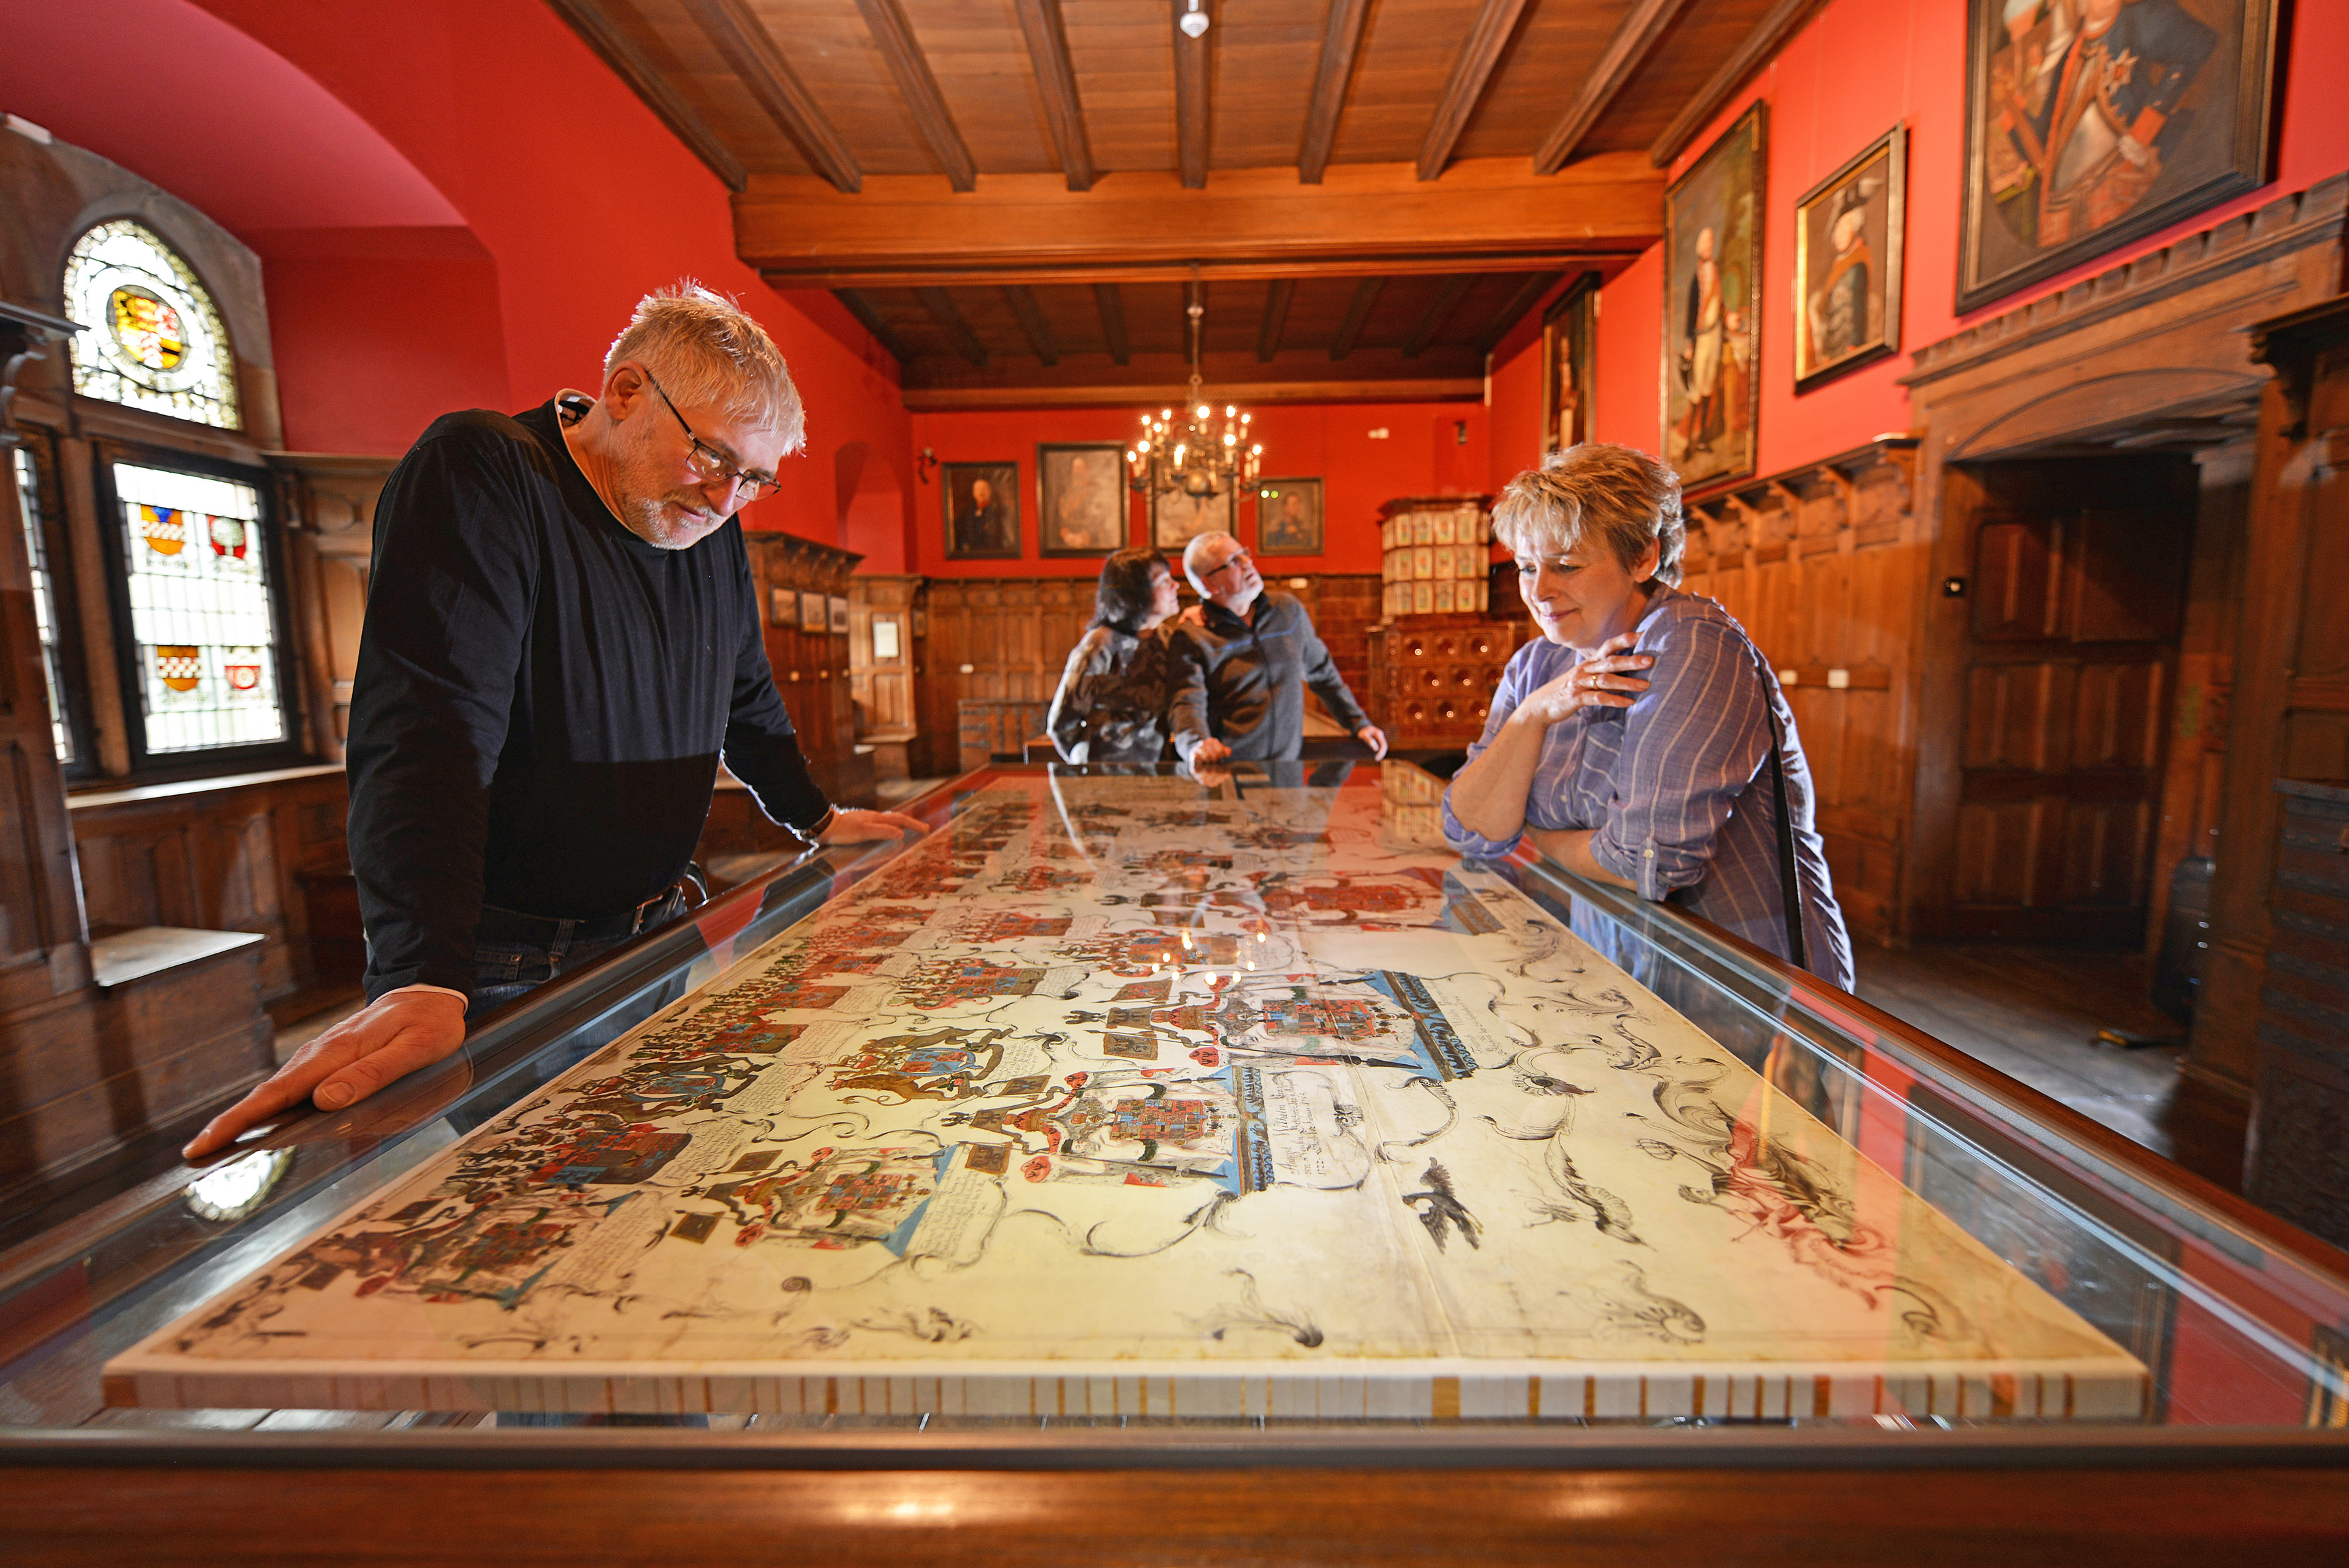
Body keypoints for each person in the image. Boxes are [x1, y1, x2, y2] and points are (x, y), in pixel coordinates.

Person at [184, 284, 928, 1160]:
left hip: (654, 930)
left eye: (752, 479)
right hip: (509, 963)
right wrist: (419, 974)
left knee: (658, 1172)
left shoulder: (708, 528)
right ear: (625, 392)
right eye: (712, 458)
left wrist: (814, 818)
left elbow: (747, 697)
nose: (728, 499)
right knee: (541, 1201)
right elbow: (428, 733)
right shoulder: (485, 472)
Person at [1441, 444, 1852, 987]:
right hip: (1610, 963)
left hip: (1737, 979)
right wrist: (1535, 713)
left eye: (1565, 565)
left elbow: (1646, 865)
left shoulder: (1692, 643)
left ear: (1642, 557)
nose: (1538, 591)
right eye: (1525, 567)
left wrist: (1535, 834)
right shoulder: (1537, 663)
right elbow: (1468, 830)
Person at [1175, 531, 1386, 766]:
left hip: (1287, 774)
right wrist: (1196, 745)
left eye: (1244, 554)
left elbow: (1323, 675)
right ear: (1209, 583)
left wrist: (1359, 723)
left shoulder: (1288, 611)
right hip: (1226, 776)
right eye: (1234, 561)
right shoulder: (1193, 636)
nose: (1248, 563)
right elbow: (1187, 702)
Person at [1047, 548, 1204, 764]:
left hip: (1156, 773)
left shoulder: (1166, 638)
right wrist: (1085, 765)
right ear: (1136, 593)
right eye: (1164, 581)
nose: (1175, 585)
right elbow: (1062, 724)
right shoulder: (1101, 644)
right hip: (1104, 776)